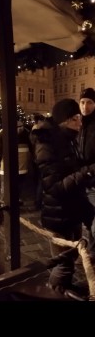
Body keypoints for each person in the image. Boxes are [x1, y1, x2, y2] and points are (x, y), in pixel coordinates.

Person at [30, 98, 95, 298]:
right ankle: (54, 292)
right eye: (76, 118)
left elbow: (72, 169)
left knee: (72, 255)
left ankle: (62, 288)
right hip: (58, 215)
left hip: (71, 209)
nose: (80, 122)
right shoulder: (47, 145)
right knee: (63, 262)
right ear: (65, 120)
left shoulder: (66, 140)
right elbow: (55, 187)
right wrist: (88, 173)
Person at [0, 120, 32, 203]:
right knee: (18, 187)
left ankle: (4, 205)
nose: (20, 129)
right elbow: (31, 148)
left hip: (7, 165)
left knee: (6, 187)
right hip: (22, 166)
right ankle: (16, 204)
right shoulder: (27, 133)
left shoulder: (3, 132)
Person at [77, 87, 95, 259]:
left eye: (89, 102)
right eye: (82, 102)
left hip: (93, 180)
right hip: (81, 180)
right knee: (87, 220)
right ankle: (91, 251)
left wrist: (88, 171)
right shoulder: (79, 124)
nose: (85, 106)